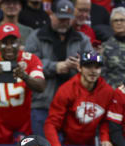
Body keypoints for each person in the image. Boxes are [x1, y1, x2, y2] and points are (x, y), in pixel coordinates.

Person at [24, 0, 93, 137]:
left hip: (73, 107)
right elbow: (28, 64)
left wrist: (82, 65)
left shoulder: (82, 39)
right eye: (60, 19)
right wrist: (56, 67)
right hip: (43, 105)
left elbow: (95, 63)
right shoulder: (36, 36)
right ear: (51, 15)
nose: (64, 22)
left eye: (67, 19)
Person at [0, 23, 45, 143]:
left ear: (20, 42)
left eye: (13, 42)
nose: (9, 47)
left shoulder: (30, 59)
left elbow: (41, 86)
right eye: (5, 43)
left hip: (22, 130)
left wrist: (25, 76)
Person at [43, 51, 114, 146]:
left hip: (90, 144)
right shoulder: (66, 90)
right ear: (79, 67)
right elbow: (51, 124)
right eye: (88, 66)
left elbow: (105, 120)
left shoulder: (108, 92)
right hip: (66, 143)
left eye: (97, 67)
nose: (93, 71)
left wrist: (105, 138)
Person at [101, 7, 125, 89]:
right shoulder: (104, 47)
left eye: (122, 20)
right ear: (111, 25)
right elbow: (100, 73)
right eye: (115, 20)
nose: (119, 23)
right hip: (111, 91)